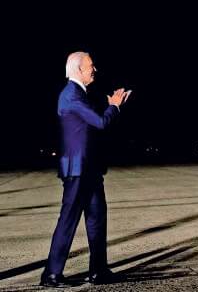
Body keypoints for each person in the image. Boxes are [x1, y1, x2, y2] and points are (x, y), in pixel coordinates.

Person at [40, 52, 130, 287]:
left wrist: (113, 107)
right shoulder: (71, 95)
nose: (94, 70)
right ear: (78, 70)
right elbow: (100, 122)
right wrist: (114, 107)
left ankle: (99, 271)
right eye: (91, 66)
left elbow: (93, 125)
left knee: (97, 219)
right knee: (68, 221)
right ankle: (51, 274)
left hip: (89, 169)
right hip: (78, 170)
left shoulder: (80, 94)